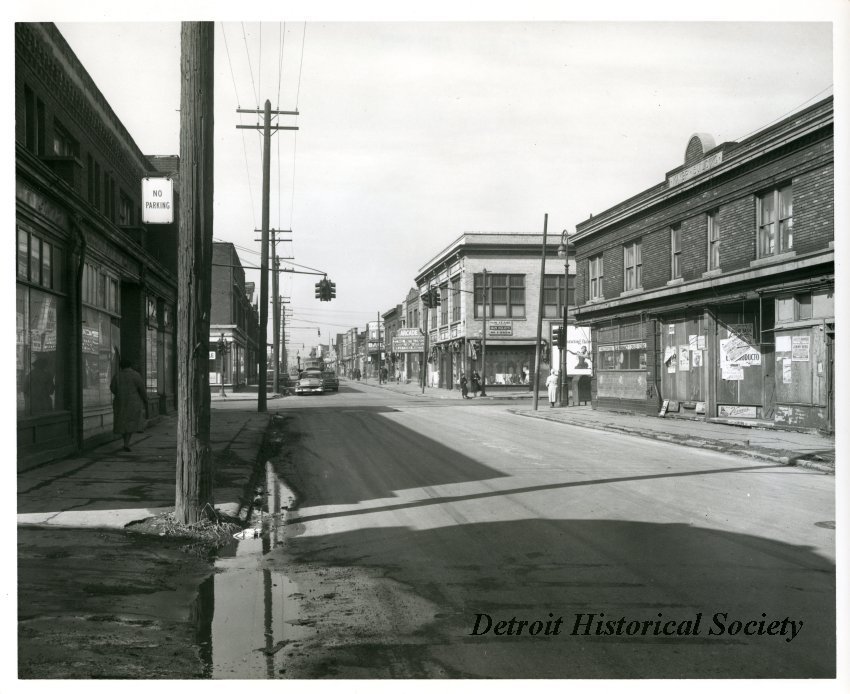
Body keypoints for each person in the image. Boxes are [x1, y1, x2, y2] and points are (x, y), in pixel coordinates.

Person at [110, 358, 148, 452]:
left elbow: (112, 388)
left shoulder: (117, 376)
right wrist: (145, 400)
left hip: (120, 402)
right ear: (130, 365)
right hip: (133, 402)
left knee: (122, 422)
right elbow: (142, 389)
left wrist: (119, 394)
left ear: (121, 366)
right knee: (131, 422)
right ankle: (126, 443)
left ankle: (125, 442)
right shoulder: (136, 375)